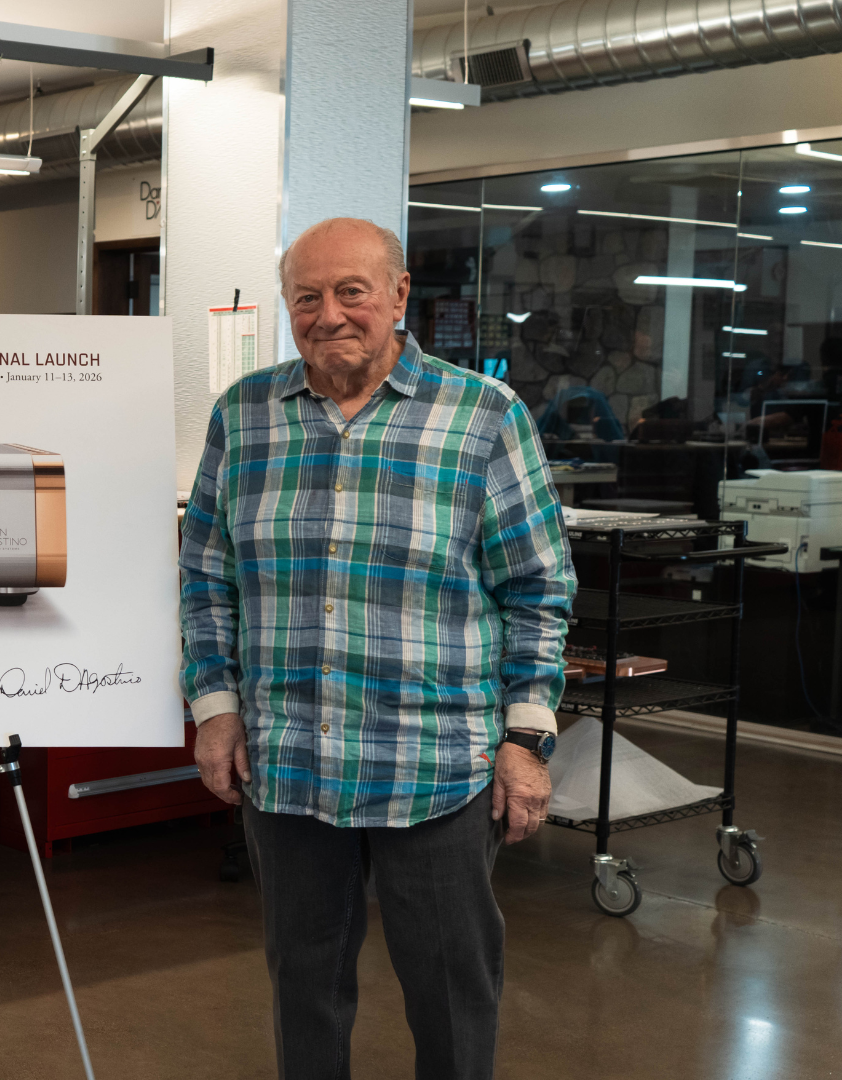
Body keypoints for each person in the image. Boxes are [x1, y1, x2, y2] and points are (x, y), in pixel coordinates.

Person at [182, 217, 573, 1080]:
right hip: (289, 764)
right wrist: (214, 709)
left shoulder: (484, 416)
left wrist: (525, 740)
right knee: (304, 985)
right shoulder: (243, 416)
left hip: (436, 767)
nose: (328, 315)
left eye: (350, 292)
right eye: (306, 298)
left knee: (451, 989)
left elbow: (538, 589)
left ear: (398, 296)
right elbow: (206, 577)